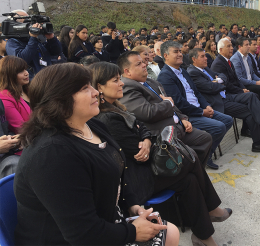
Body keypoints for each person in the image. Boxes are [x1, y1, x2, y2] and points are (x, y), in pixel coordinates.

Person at [13, 63, 180, 246]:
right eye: (85, 88)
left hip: (104, 220)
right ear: (58, 99)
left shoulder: (93, 126)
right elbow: (82, 234)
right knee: (168, 233)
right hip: (68, 239)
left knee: (169, 231)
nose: (96, 92)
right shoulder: (51, 154)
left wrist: (131, 205)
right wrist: (132, 232)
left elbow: (118, 176)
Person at [90, 62, 231, 246]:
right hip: (138, 178)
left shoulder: (116, 107)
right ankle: (211, 210)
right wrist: (146, 139)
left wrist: (147, 139)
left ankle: (203, 236)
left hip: (147, 167)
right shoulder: (107, 118)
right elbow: (138, 150)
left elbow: (142, 129)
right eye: (116, 80)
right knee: (190, 158)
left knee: (190, 179)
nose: (121, 83)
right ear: (99, 86)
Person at [117, 51, 213, 168]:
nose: (144, 65)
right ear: (127, 71)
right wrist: (167, 103)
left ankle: (194, 169)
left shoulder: (151, 81)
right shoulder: (128, 87)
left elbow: (171, 103)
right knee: (191, 155)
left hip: (177, 127)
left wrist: (182, 118)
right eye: (138, 64)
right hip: (162, 135)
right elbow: (148, 112)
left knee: (205, 139)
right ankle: (188, 172)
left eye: (143, 62)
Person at [187, 48, 260, 154]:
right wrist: (220, 82)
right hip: (217, 103)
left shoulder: (204, 69)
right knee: (251, 110)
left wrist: (218, 80)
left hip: (225, 96)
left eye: (205, 56)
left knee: (251, 96)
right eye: (202, 56)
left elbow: (223, 77)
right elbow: (212, 87)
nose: (206, 58)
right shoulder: (193, 72)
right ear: (193, 59)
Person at [157, 41, 233, 170]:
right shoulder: (165, 76)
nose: (180, 54)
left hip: (199, 108)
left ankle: (206, 153)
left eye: (180, 51)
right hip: (187, 115)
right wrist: (201, 112)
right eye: (176, 52)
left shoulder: (183, 71)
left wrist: (206, 106)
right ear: (166, 55)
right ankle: (201, 157)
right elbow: (179, 103)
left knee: (227, 120)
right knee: (219, 126)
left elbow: (196, 92)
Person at [5, 9, 62, 78]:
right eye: (26, 20)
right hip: (32, 82)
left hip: (47, 78)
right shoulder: (13, 41)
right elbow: (21, 60)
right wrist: (33, 38)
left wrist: (51, 39)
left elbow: (56, 52)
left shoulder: (36, 38)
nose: (30, 23)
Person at [230, 38, 260, 114]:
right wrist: (255, 83)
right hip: (244, 85)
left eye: (249, 44)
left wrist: (259, 80)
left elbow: (252, 73)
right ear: (240, 47)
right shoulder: (236, 59)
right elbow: (239, 79)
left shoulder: (248, 57)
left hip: (251, 81)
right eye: (246, 45)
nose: (249, 46)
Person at [0, 56, 31, 133]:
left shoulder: (28, 89)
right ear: (9, 75)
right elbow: (21, 128)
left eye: (25, 69)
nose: (26, 73)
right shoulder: (5, 97)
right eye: (21, 71)